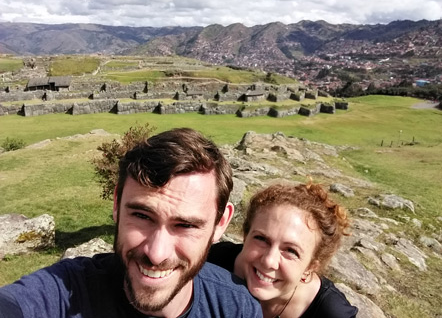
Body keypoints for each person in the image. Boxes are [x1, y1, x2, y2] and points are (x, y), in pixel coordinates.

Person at [0, 128, 263, 318]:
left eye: (185, 225)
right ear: (116, 203)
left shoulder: (237, 308)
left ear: (220, 223)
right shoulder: (64, 292)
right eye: (142, 216)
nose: (156, 253)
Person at [208, 182, 358, 318]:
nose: (269, 261)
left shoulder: (331, 313)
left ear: (310, 267)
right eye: (261, 239)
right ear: (245, 236)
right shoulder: (212, 263)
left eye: (291, 251)